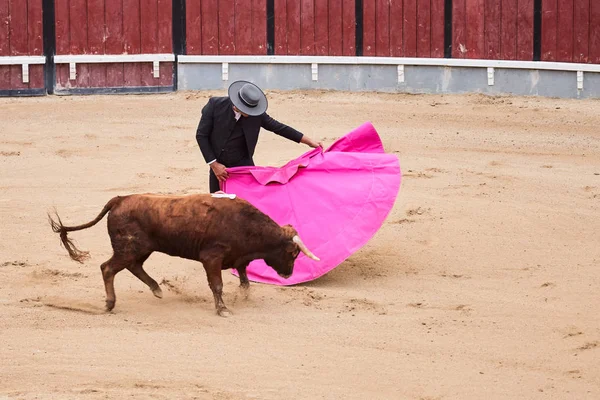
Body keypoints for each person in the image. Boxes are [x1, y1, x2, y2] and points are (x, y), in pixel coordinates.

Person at [196, 80, 322, 193]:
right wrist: (214, 165)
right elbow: (201, 135)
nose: (251, 113)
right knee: (218, 205)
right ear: (237, 105)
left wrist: (309, 141)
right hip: (218, 164)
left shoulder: (256, 114)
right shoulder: (215, 105)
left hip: (243, 164)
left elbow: (278, 127)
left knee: (247, 206)